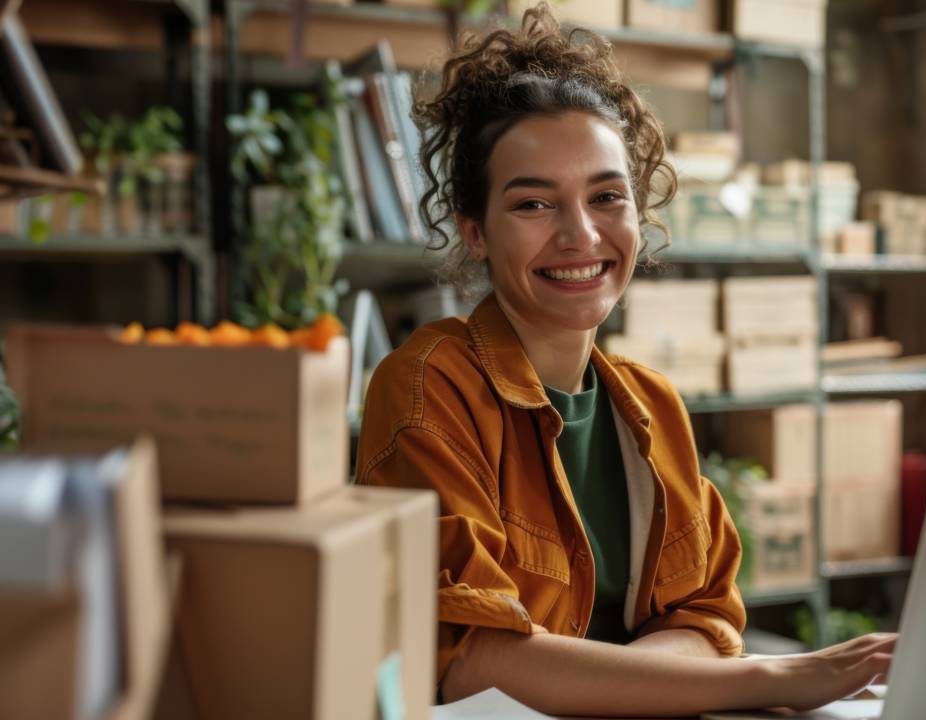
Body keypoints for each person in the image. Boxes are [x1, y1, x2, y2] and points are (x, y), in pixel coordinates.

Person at [355, 4, 895, 716]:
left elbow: (706, 620)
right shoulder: (430, 386)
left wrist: (621, 689)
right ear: (474, 232)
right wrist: (769, 678)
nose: (581, 235)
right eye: (533, 205)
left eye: (607, 196)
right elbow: (473, 662)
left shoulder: (652, 405)